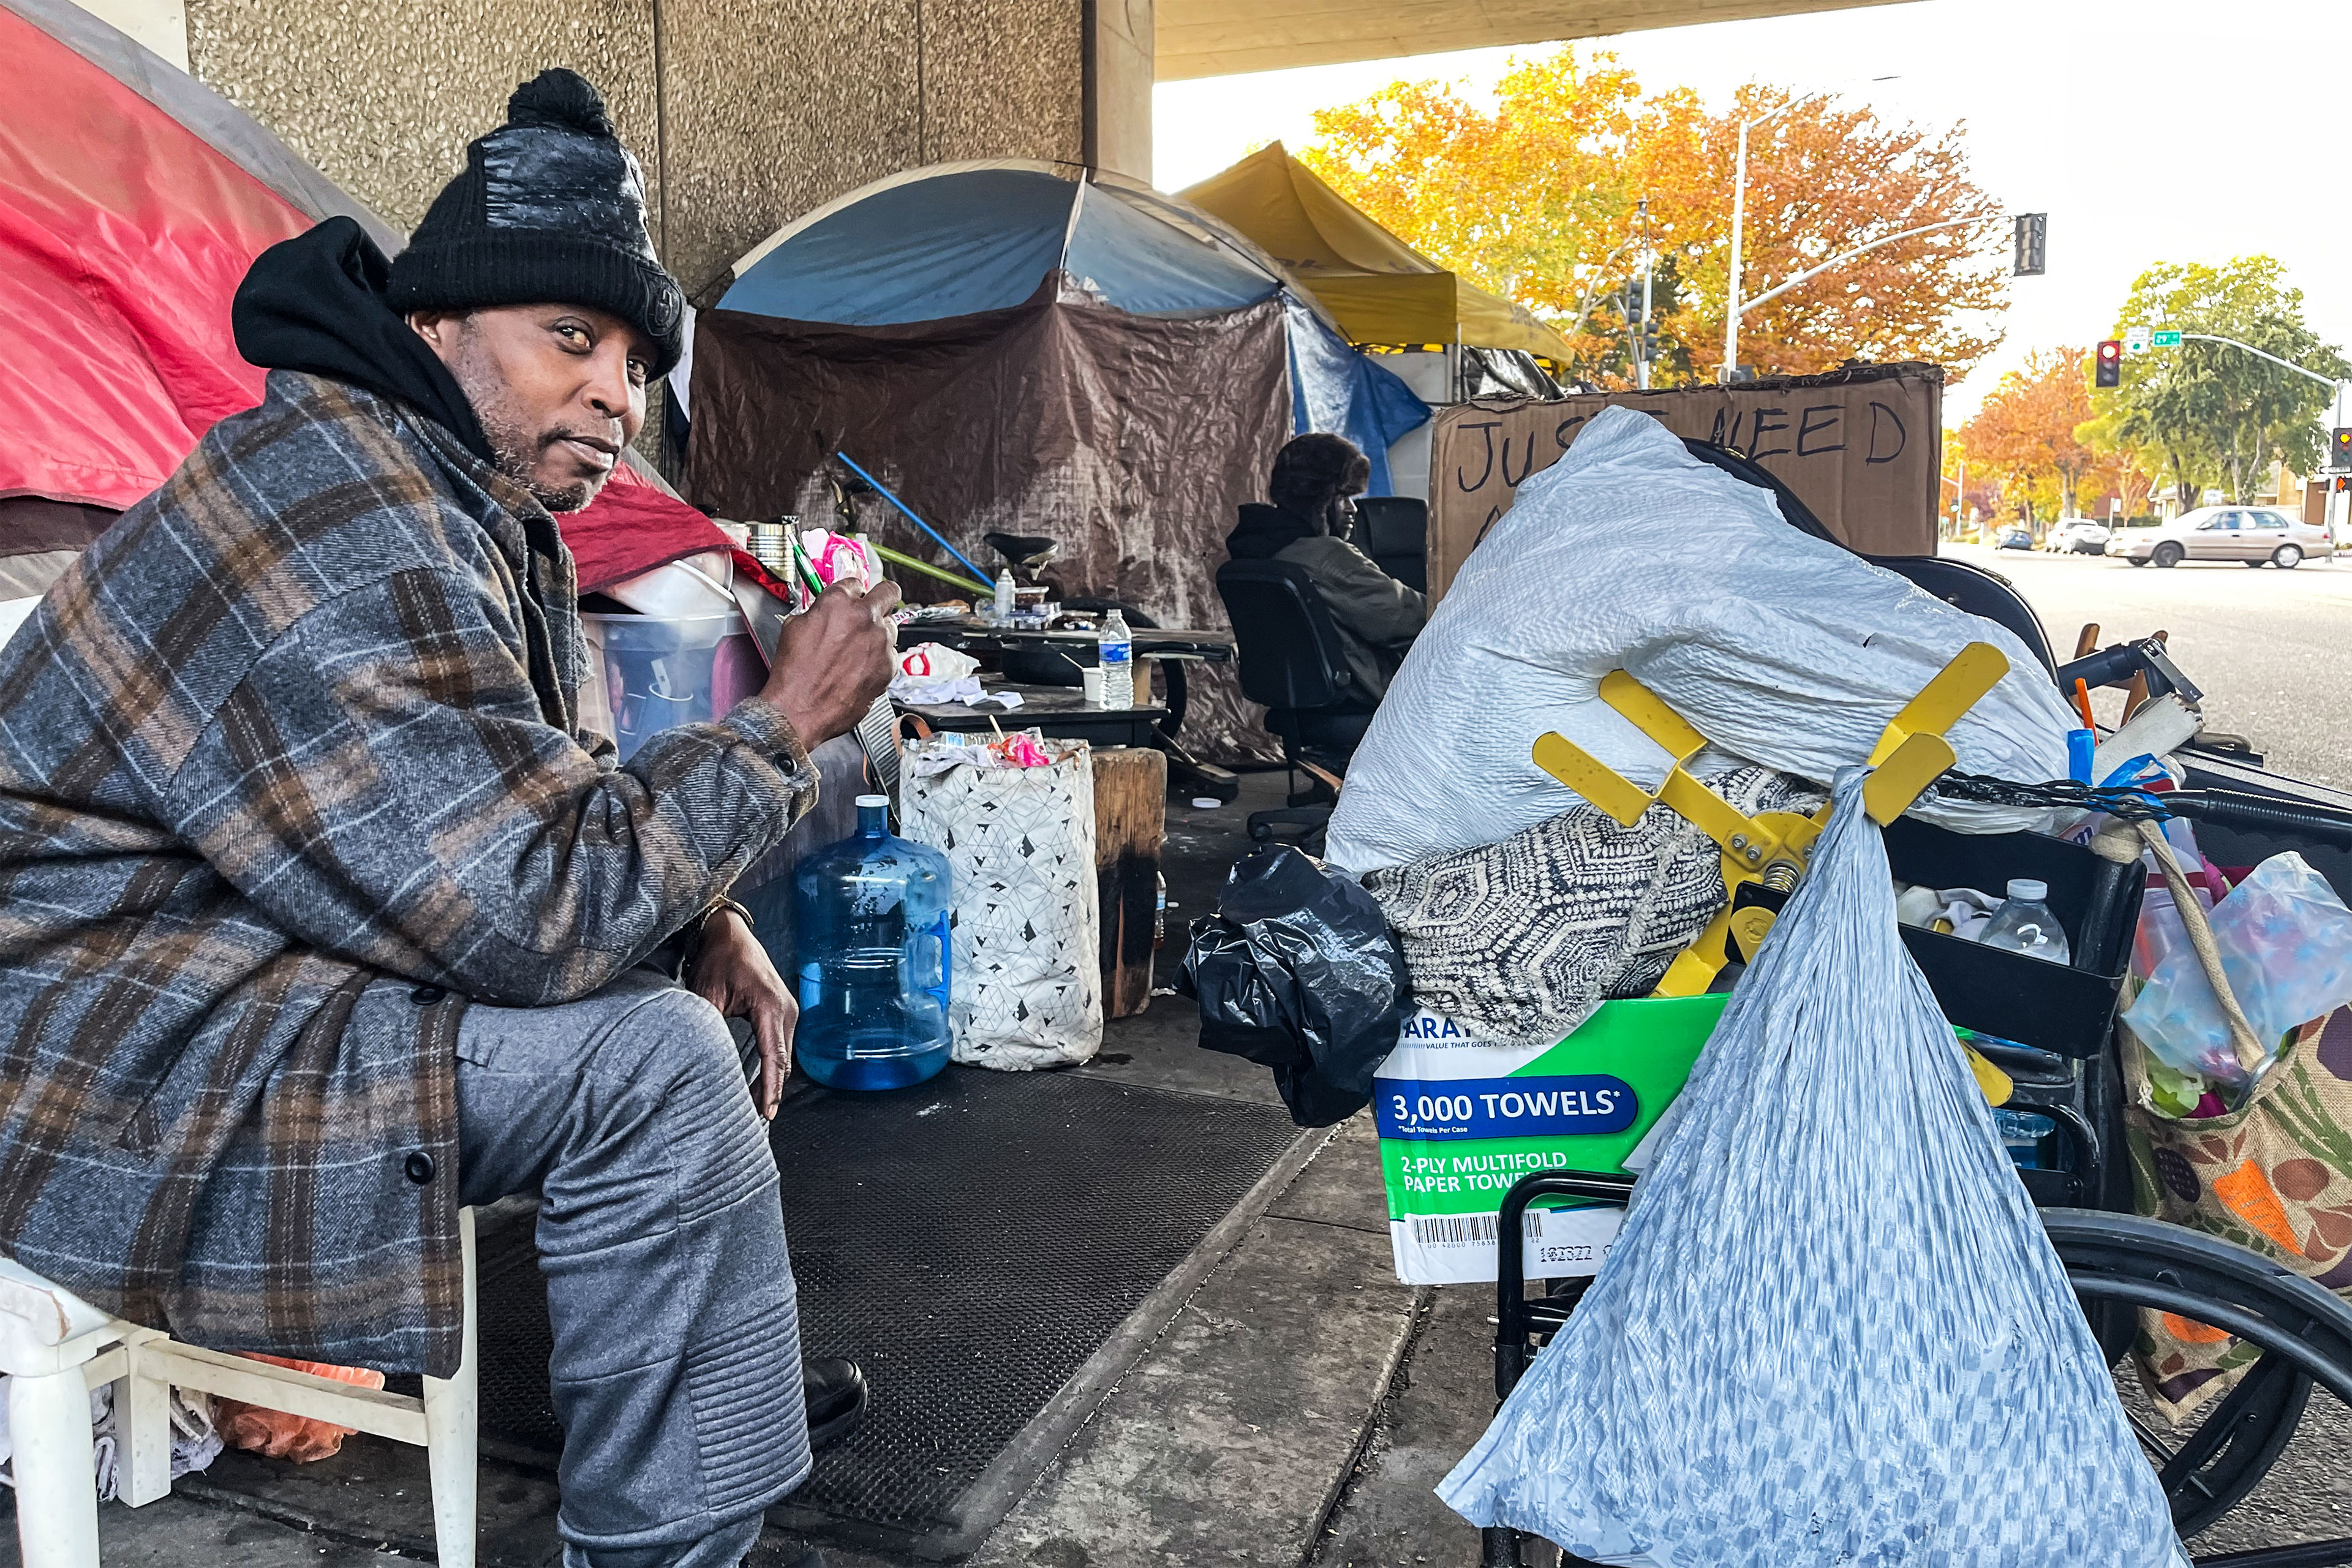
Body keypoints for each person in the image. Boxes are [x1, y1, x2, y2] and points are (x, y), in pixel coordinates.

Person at [0, 70, 891, 1568]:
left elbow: (520, 799)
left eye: (632, 357)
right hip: (87, 1045)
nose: (617, 390)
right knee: (651, 1062)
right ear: (433, 326)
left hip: (231, 961)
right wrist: (780, 725)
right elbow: (536, 906)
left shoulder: (438, 492)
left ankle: (699, 1390)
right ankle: (673, 1522)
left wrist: (704, 913)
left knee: (673, 988)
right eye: (570, 337)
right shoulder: (337, 525)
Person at [1226, 433, 1425, 703]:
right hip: (1368, 698)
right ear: (1319, 500)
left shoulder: (1262, 549)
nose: (1353, 509)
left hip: (1309, 703)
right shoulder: (1325, 557)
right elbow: (1405, 617)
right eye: (1344, 497)